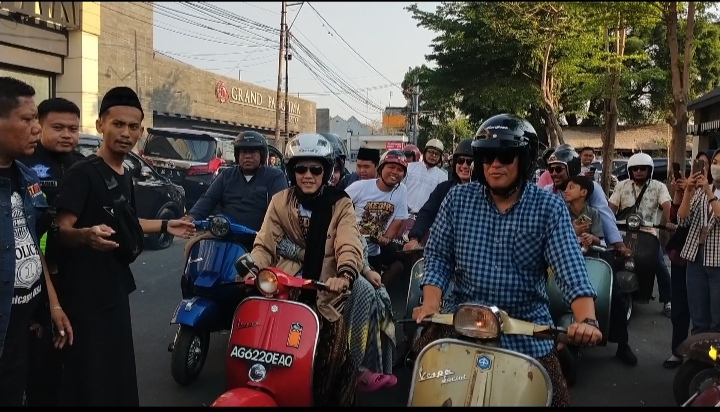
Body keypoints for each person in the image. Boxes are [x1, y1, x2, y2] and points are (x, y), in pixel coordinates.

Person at [412, 114, 601, 407]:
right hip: (460, 322)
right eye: (487, 157)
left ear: (524, 160)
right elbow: (437, 256)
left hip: (526, 328)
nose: (495, 165)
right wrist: (431, 304)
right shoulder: (457, 200)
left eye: (505, 156)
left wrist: (586, 320)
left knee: (558, 399)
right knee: (422, 383)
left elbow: (570, 267)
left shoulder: (549, 207)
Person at [53, 86, 195, 406]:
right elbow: (61, 230)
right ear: (100, 124)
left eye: (133, 127)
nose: (125, 133)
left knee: (117, 374)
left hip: (114, 290)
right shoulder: (82, 174)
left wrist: (165, 225)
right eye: (117, 124)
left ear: (141, 132)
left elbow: (127, 222)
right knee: (90, 379)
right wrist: (85, 235)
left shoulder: (124, 174)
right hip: (84, 297)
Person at [245, 132, 362, 406]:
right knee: (260, 344)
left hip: (326, 290)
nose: (307, 175)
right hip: (283, 288)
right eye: (301, 169)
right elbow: (264, 243)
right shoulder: (280, 201)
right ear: (291, 171)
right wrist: (252, 268)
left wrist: (344, 275)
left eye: (315, 169)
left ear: (326, 172)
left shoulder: (340, 203)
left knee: (332, 355)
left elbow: (348, 242)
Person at [0, 77, 73, 407]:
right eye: (27, 119)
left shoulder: (27, 178)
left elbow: (33, 245)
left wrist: (52, 305)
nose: (36, 128)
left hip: (23, 326)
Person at [18, 97, 85, 406]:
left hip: (73, 276)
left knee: (70, 363)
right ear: (39, 126)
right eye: (58, 127)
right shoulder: (24, 164)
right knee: (38, 366)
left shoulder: (82, 166)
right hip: (34, 275)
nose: (67, 135)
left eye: (73, 128)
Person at [543, 144, 637, 366]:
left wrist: (617, 244)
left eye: (559, 169)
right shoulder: (546, 192)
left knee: (615, 293)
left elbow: (604, 215)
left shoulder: (590, 188)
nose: (554, 173)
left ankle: (622, 343)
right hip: (558, 254)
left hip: (594, 249)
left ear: (572, 168)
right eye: (551, 169)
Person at [276, 231, 397, 393]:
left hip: (338, 268)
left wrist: (366, 269)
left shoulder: (343, 215)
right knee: (360, 288)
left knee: (372, 290)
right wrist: (309, 255)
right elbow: (276, 241)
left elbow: (355, 240)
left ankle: (358, 365)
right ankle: (347, 367)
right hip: (296, 268)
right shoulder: (287, 214)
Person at [181, 131, 288, 257]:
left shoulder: (275, 176)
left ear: (262, 155)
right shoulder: (226, 175)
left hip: (259, 238)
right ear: (237, 155)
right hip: (225, 234)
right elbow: (208, 199)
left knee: (270, 264)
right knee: (191, 247)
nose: (247, 156)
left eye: (253, 152)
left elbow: (280, 209)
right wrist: (191, 217)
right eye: (243, 152)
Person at [608, 152, 673, 317]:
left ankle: (668, 301)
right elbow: (610, 209)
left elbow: (667, 206)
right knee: (610, 259)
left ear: (649, 170)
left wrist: (670, 220)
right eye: (635, 168)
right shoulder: (621, 186)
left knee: (660, 266)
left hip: (648, 233)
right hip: (623, 231)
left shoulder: (659, 187)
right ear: (630, 170)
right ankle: (607, 294)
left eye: (643, 168)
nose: (638, 171)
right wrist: (607, 222)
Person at [345, 150, 409, 286]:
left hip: (375, 249)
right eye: (391, 167)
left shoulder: (402, 190)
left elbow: (399, 218)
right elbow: (338, 205)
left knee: (377, 284)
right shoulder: (360, 186)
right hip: (354, 246)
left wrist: (386, 237)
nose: (395, 172)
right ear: (381, 168)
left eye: (400, 170)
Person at [677, 148, 720, 335]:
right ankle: (699, 351)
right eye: (715, 163)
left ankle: (714, 353)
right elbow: (682, 220)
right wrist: (688, 191)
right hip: (696, 257)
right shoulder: (701, 192)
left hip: (717, 261)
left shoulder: (707, 191)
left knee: (717, 321)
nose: (716, 167)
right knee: (699, 319)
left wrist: (709, 192)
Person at [403, 138, 474, 251]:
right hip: (443, 245)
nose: (464, 166)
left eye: (470, 162)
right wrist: (415, 238)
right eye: (460, 161)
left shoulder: (485, 190)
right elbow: (428, 212)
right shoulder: (444, 188)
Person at [664, 174, 692, 368]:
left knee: (703, 312)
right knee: (680, 306)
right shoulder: (690, 191)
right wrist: (680, 193)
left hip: (707, 259)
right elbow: (677, 219)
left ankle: (702, 357)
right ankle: (678, 351)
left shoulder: (711, 193)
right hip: (681, 256)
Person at [404, 138, 448, 215]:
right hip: (403, 213)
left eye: (437, 154)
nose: (433, 156)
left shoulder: (442, 177)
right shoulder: (409, 168)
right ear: (424, 153)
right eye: (430, 152)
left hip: (425, 217)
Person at [565, 175, 605, 248]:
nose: (566, 191)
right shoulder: (563, 213)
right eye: (566, 188)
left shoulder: (593, 213)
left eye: (571, 187)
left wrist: (591, 238)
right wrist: (574, 232)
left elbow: (600, 241)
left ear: (583, 192)